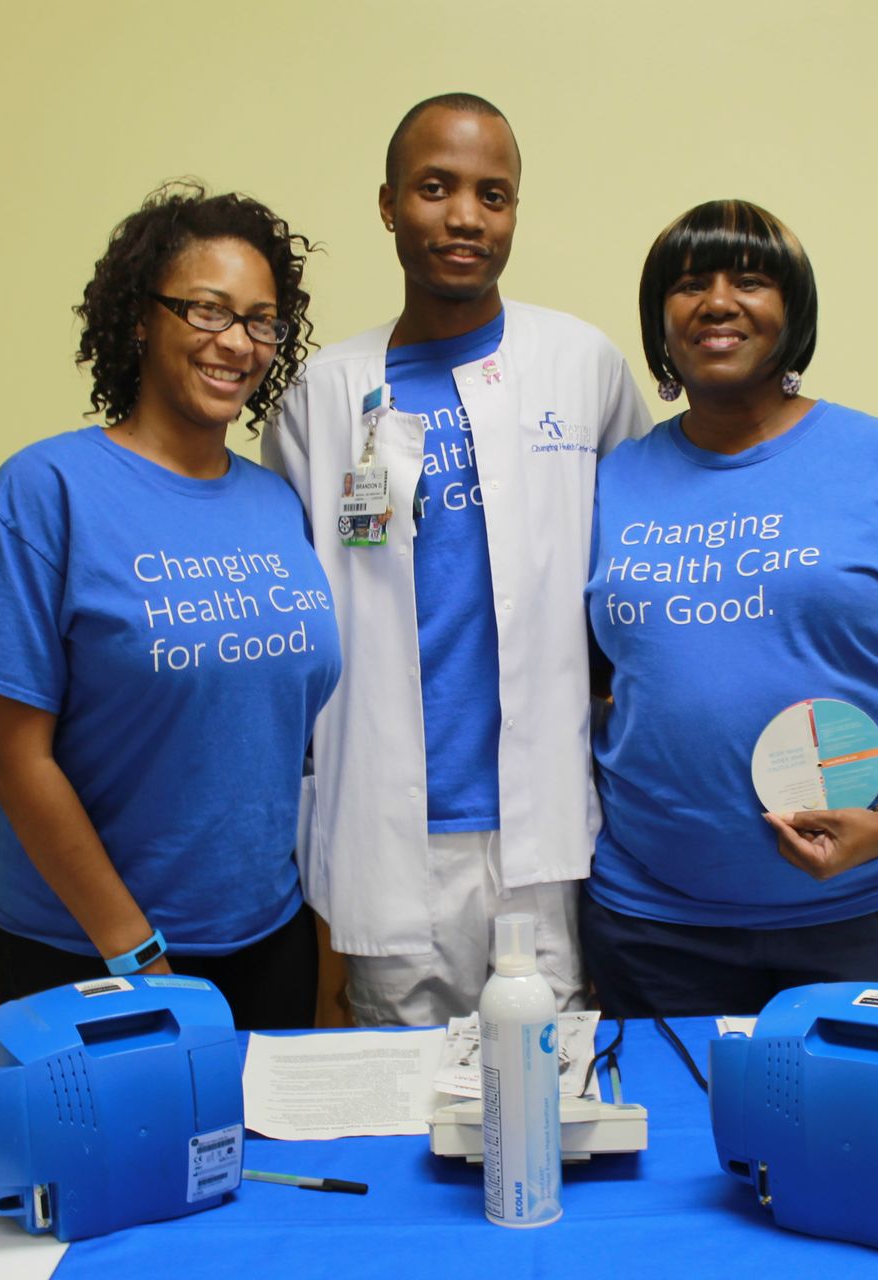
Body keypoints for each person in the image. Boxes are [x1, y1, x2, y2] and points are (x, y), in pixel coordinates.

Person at [581, 199, 878, 1016]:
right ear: (660, 323)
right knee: (678, 1142)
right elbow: (597, 673)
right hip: (660, 927)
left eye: (749, 280)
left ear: (793, 313)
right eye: (688, 286)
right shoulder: (608, 486)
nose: (717, 302)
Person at [263, 93, 651, 1026]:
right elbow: (302, 609)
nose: (466, 216)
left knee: (550, 1100)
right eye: (436, 188)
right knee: (404, 1106)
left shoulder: (581, 365)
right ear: (390, 203)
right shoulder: (323, 395)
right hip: (389, 830)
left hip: (545, 824)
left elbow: (628, 565)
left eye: (494, 193)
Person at [0, 182, 341, 1027]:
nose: (238, 342)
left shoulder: (276, 503)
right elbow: (14, 757)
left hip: (267, 930)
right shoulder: (45, 490)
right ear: (137, 320)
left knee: (258, 1161)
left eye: (262, 320)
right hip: (91, 948)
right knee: (116, 1164)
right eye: (208, 311)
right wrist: (136, 950)